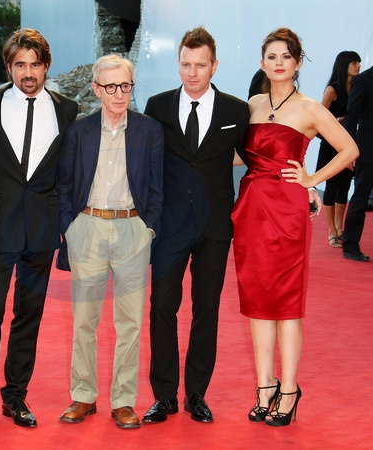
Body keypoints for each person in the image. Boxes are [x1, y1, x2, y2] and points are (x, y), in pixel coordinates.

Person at [232, 27, 358, 427]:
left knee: (285, 303)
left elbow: (350, 149)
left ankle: (288, 389)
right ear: (262, 62)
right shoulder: (252, 104)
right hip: (251, 208)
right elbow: (242, 156)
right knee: (257, 302)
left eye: (286, 56)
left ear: (298, 63)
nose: (278, 63)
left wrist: (311, 180)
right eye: (272, 56)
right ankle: (264, 386)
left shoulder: (309, 108)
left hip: (286, 212)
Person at [0, 28, 78, 433]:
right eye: (19, 65)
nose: (28, 73)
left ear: (46, 66)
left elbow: (68, 170)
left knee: (29, 315)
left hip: (41, 228)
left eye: (35, 65)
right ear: (8, 67)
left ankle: (15, 396)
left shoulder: (67, 109)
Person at [141, 27, 250, 424]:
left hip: (214, 226)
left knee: (207, 309)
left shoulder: (236, 111)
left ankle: (197, 394)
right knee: (162, 307)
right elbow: (144, 160)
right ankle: (164, 396)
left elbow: (258, 157)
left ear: (214, 66)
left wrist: (305, 183)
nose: (192, 72)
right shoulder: (158, 106)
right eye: (185, 64)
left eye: (200, 65)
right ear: (179, 63)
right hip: (169, 226)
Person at [56, 54, 164, 429]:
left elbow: (157, 186)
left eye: (125, 85)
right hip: (88, 228)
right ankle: (83, 396)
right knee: (84, 321)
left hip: (133, 230)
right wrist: (71, 228)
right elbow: (64, 184)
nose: (119, 93)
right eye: (111, 86)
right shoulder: (79, 131)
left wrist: (148, 229)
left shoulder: (149, 130)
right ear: (96, 89)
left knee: (130, 323)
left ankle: (123, 401)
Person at [315, 51, 361, 248]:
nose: (358, 66)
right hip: (330, 144)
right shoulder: (332, 89)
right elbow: (319, 117)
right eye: (354, 62)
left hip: (349, 143)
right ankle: (332, 231)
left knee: (344, 185)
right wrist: (342, 120)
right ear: (344, 65)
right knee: (332, 186)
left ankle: (339, 227)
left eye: (358, 62)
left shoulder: (358, 86)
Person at [341, 62, 373, 261]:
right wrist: (348, 151)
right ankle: (350, 245)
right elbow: (351, 118)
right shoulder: (363, 80)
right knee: (360, 198)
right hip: (368, 150)